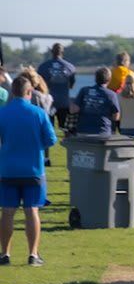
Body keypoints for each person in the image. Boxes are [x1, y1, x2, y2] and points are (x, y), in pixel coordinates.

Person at [0, 76, 57, 267]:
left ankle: (5, 254)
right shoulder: (38, 113)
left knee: (7, 212)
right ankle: (33, 254)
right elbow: (51, 140)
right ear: (29, 92)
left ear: (12, 92)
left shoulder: (3, 113)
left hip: (8, 169)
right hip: (33, 169)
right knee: (31, 210)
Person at [70, 67, 120, 135]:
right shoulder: (111, 94)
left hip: (83, 130)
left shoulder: (84, 90)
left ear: (95, 78)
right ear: (109, 79)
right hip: (103, 132)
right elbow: (116, 116)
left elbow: (74, 110)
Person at [37, 42, 75, 130]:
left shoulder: (43, 67)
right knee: (64, 128)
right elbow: (72, 85)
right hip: (64, 102)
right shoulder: (70, 67)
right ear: (62, 52)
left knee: (48, 127)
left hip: (48, 102)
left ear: (51, 51)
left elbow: (38, 85)